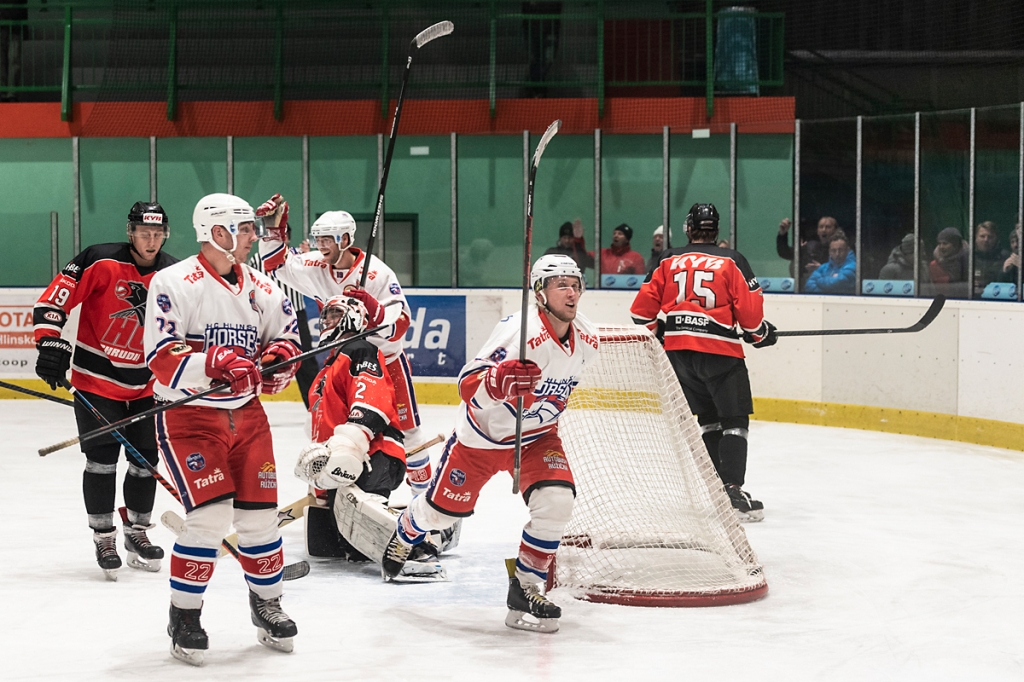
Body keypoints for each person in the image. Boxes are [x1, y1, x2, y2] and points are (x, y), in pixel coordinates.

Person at [380, 254, 600, 633]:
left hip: (537, 437)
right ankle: (405, 530)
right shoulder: (520, 333)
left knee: (557, 502)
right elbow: (468, 383)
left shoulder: (589, 339)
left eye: (575, 283)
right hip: (480, 439)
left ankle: (526, 587)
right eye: (560, 283)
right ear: (539, 293)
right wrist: (498, 382)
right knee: (439, 515)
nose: (570, 291)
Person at [144, 193, 302, 665]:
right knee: (210, 520)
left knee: (258, 520)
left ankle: (266, 604)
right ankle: (184, 615)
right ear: (218, 232)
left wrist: (277, 363)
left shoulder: (263, 286)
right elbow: (162, 358)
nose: (254, 235)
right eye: (246, 228)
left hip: (248, 418)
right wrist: (215, 362)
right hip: (189, 418)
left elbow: (286, 339)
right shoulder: (174, 282)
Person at [33, 202, 178, 579]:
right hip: (96, 382)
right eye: (144, 232)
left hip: (148, 385)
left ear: (165, 234)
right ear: (130, 232)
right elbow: (54, 300)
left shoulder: (174, 272)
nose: (151, 240)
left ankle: (138, 531)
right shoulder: (99, 260)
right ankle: (103, 535)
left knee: (146, 462)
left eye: (157, 233)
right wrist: (49, 342)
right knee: (102, 461)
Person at [258, 201, 433, 494]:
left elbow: (401, 323)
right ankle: (336, 487)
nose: (321, 245)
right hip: (341, 363)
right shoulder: (315, 265)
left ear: (346, 239)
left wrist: (374, 309)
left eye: (329, 239)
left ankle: (421, 502)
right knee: (333, 426)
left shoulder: (377, 273)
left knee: (409, 431)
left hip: (385, 361)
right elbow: (276, 266)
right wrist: (273, 233)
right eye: (318, 239)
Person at [631, 203, 775, 522]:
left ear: (689, 228)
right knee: (734, 421)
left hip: (679, 355)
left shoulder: (667, 259)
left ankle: (715, 489)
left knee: (709, 418)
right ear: (716, 229)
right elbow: (751, 320)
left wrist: (662, 334)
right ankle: (732, 491)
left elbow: (640, 314)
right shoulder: (732, 260)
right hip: (720, 354)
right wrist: (761, 333)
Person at [292, 295, 446, 578]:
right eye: (325, 315)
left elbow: (373, 402)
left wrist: (350, 441)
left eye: (335, 314)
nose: (326, 321)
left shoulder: (360, 349)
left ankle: (418, 544)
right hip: (339, 462)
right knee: (332, 546)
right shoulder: (326, 368)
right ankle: (409, 520)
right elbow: (319, 422)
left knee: (360, 531)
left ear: (354, 317)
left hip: (372, 453)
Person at [246, 194, 319, 408]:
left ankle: (316, 406)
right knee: (258, 360)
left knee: (307, 363)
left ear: (287, 237)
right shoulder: (258, 258)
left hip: (297, 315)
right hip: (266, 316)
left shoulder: (296, 255)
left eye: (284, 234)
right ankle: (247, 402)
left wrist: (309, 254)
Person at [777, 216, 840, 285]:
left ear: (835, 230)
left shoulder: (841, 249)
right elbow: (785, 253)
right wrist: (782, 234)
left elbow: (845, 272)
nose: (824, 230)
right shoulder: (810, 246)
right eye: (821, 227)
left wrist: (821, 268)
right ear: (817, 231)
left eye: (828, 227)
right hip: (807, 289)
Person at [972, 221, 1010, 297]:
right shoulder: (968, 257)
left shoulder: (1006, 257)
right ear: (975, 238)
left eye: (990, 237)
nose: (986, 240)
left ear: (996, 238)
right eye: (982, 236)